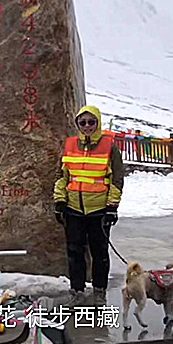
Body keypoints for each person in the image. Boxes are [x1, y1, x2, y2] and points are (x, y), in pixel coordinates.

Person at [53, 105, 124, 305]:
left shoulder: (110, 147)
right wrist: (60, 201)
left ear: (98, 123)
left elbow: (117, 179)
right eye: (82, 122)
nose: (87, 126)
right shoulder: (70, 145)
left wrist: (112, 207)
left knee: (99, 253)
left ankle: (99, 292)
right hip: (74, 208)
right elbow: (62, 176)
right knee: (74, 252)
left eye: (91, 122)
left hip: (99, 210)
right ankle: (77, 291)